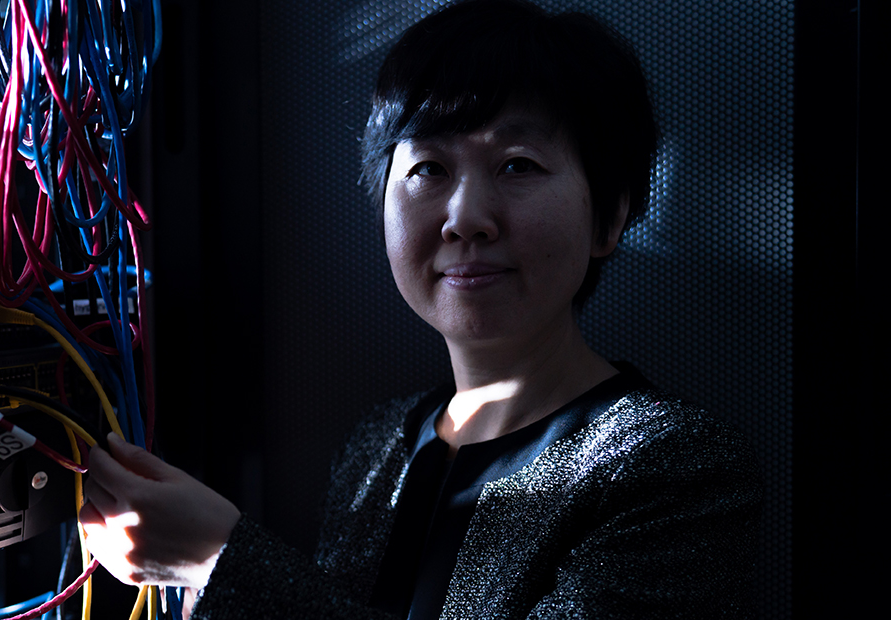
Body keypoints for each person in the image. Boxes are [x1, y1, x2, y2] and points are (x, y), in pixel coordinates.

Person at [77, 1, 762, 618]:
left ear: (610, 217)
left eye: (518, 165)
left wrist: (219, 561)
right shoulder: (382, 445)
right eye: (428, 169)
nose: (466, 219)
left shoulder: (669, 467)